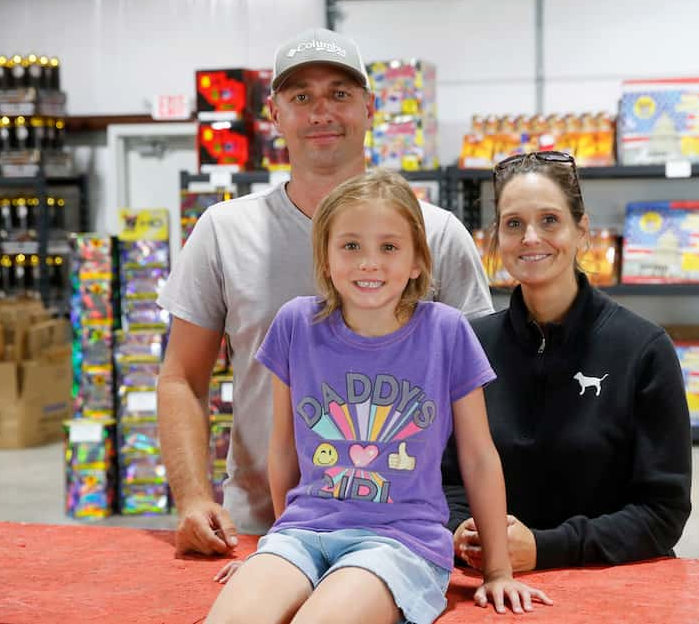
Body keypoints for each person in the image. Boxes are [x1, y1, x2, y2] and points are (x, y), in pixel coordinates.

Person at [156, 28, 493, 556]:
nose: (321, 112)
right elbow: (181, 377)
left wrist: (477, 524)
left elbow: (480, 403)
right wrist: (193, 498)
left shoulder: (439, 234)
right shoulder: (224, 231)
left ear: (370, 106)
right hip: (261, 530)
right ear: (274, 114)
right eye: (301, 97)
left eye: (339, 93)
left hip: (408, 532)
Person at [205, 169, 551, 624]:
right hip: (302, 533)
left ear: (416, 262)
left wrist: (498, 569)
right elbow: (283, 446)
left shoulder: (446, 331)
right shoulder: (294, 324)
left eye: (389, 247)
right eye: (350, 246)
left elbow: (479, 456)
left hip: (400, 541)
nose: (369, 262)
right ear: (325, 258)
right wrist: (274, 548)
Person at [441, 150, 693, 571]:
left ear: (582, 231)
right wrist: (460, 527)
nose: (531, 238)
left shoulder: (644, 349)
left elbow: (662, 513)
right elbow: (448, 476)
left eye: (550, 221)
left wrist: (544, 548)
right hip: (492, 587)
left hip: (611, 586)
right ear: (497, 238)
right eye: (514, 224)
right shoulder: (470, 345)